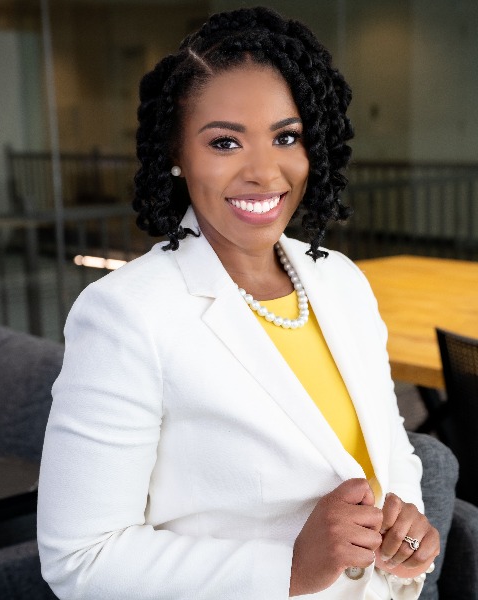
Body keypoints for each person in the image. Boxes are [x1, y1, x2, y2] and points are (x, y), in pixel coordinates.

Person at [37, 6, 439, 599]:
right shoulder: (127, 315)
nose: (264, 172)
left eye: (286, 137)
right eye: (225, 142)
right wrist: (288, 569)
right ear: (176, 154)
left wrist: (406, 535)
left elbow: (392, 452)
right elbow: (80, 559)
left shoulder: (341, 281)